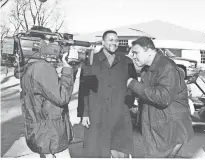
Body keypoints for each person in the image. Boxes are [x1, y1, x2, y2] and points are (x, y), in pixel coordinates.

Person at [127, 36, 194, 158]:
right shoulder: (148, 69)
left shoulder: (166, 67)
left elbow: (163, 97)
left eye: (136, 52)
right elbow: (149, 93)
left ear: (148, 50)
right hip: (158, 128)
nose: (133, 56)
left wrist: (133, 84)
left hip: (169, 129)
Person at [80, 30, 137, 158]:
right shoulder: (91, 61)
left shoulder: (126, 61)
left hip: (119, 112)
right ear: (103, 42)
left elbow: (132, 84)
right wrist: (84, 114)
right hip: (97, 111)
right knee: (98, 150)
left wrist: (127, 103)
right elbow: (84, 89)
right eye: (110, 40)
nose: (114, 43)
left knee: (120, 149)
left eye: (116, 40)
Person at [14, 52, 78, 158]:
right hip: (52, 137)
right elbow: (62, 97)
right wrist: (67, 70)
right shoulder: (41, 68)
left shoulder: (30, 67)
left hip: (41, 133)